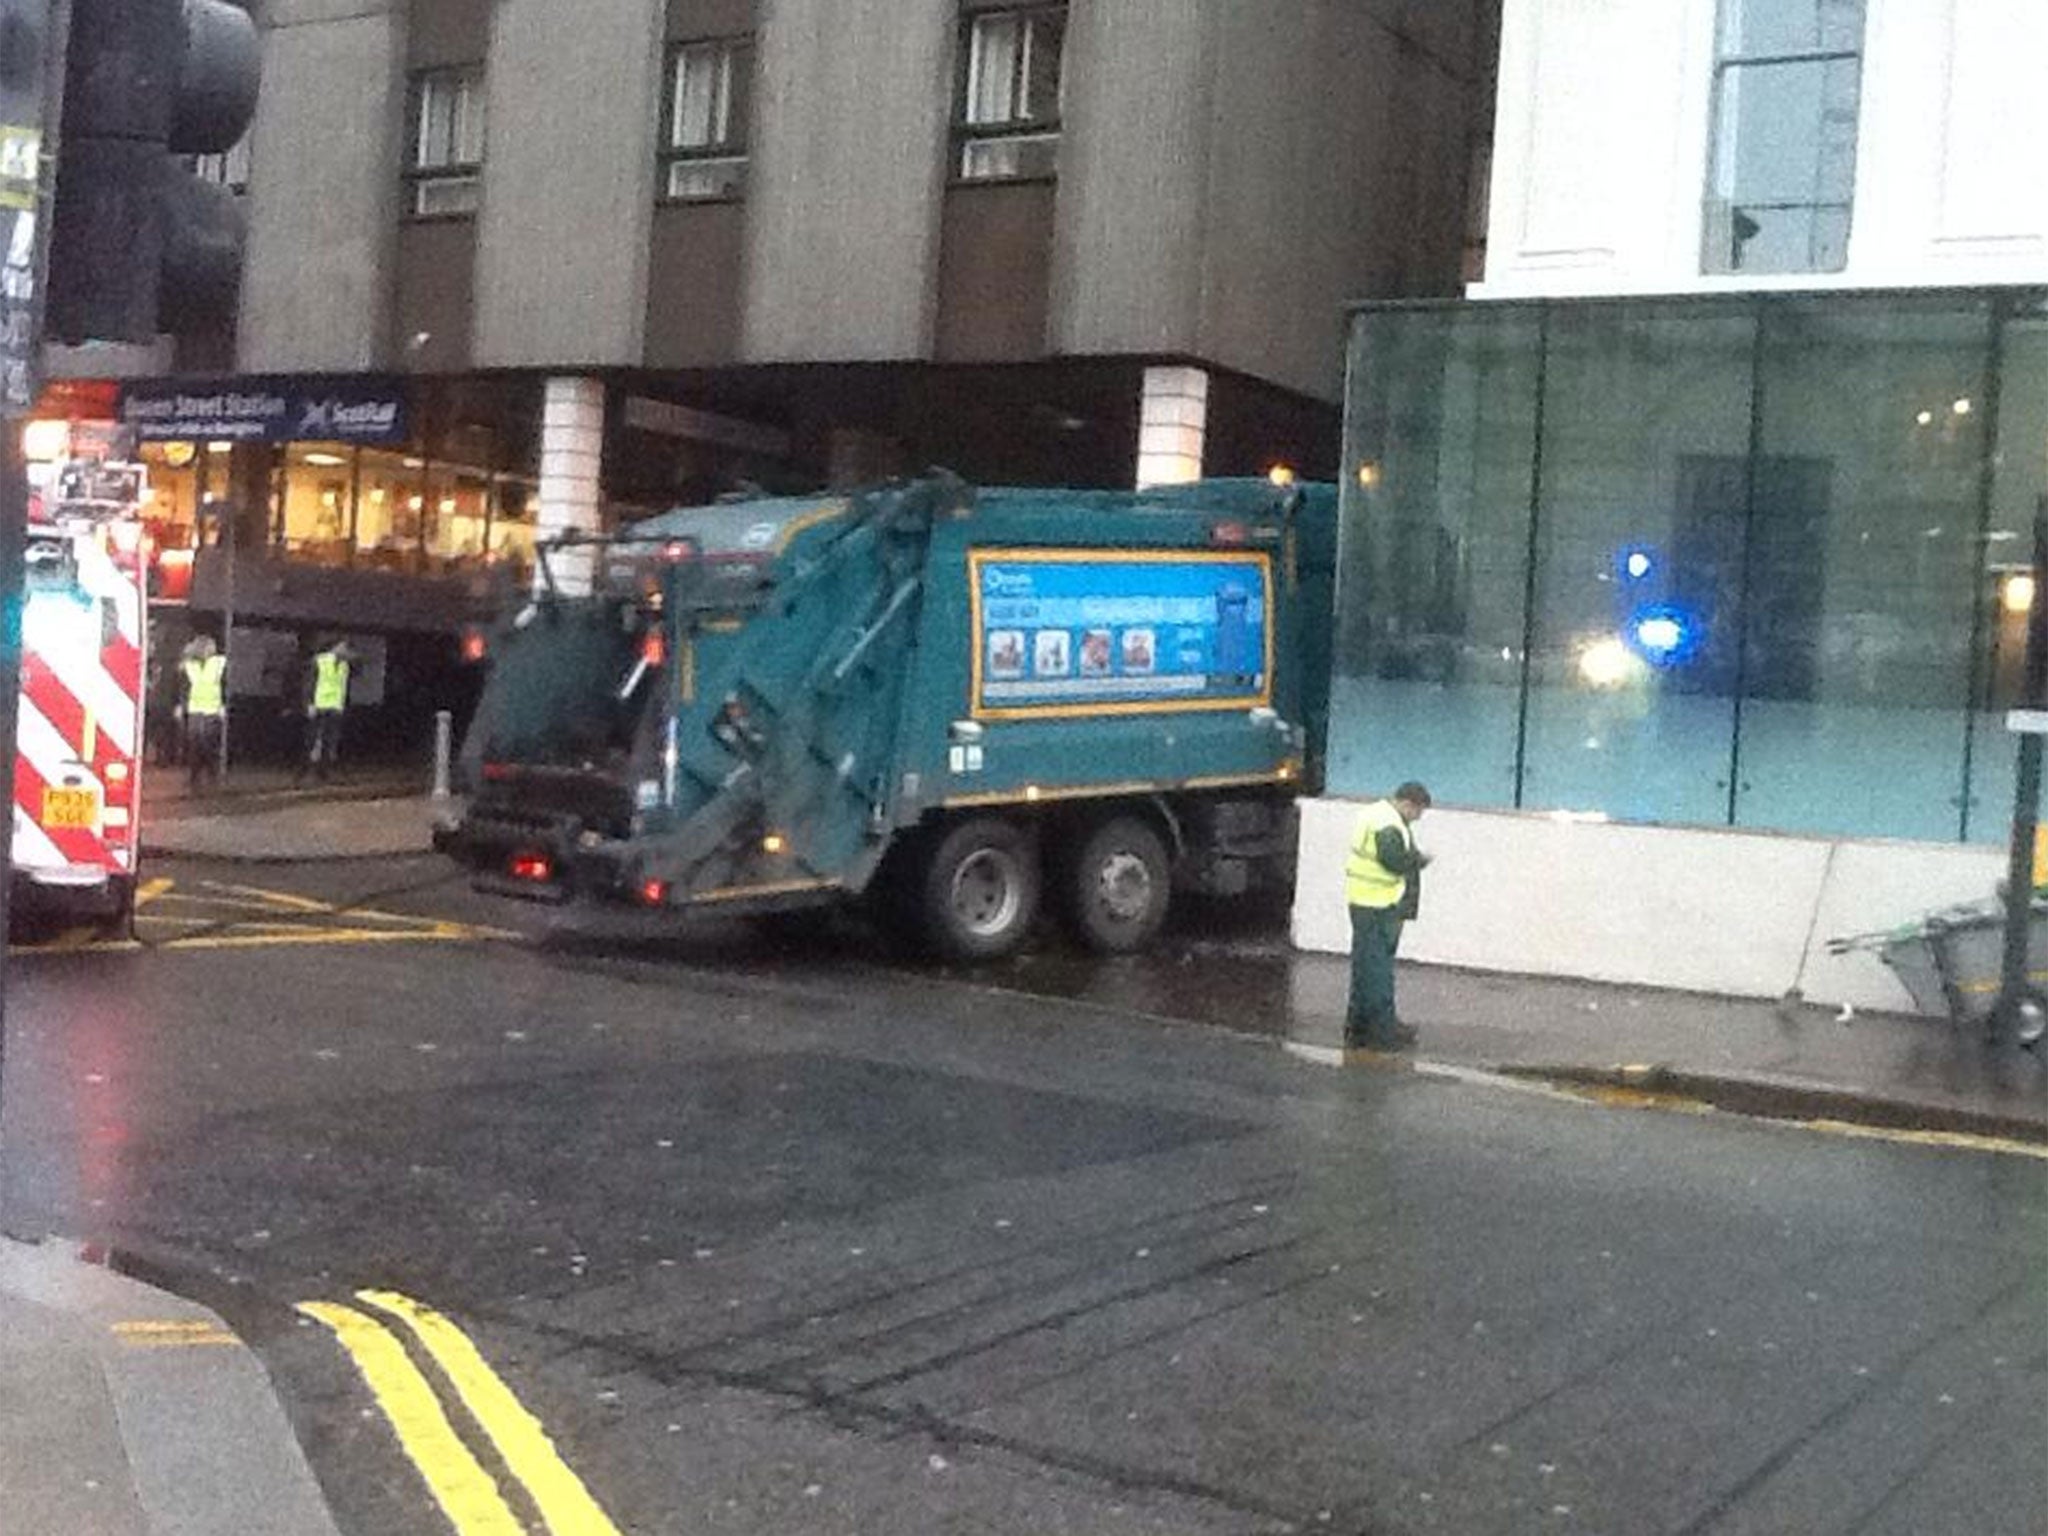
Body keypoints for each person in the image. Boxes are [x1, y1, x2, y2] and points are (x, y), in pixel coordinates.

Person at [1344, 781, 1432, 1051]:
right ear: (1408, 804)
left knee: (1364, 968)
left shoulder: (1376, 813)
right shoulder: (1388, 824)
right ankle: (1382, 1032)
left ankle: (1358, 1026)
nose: (1418, 818)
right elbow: (1393, 860)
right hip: (1379, 903)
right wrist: (1419, 861)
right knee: (1378, 971)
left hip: (1365, 900)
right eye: (1418, 812)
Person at [300, 637, 353, 783]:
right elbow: (309, 683)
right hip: (319, 705)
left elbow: (344, 687)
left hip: (335, 706)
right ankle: (310, 770)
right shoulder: (319, 661)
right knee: (315, 739)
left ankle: (325, 771)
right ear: (336, 647)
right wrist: (309, 702)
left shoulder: (345, 666)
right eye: (344, 648)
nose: (346, 652)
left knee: (331, 740)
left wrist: (342, 705)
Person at [179, 635, 227, 792]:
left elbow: (225, 684)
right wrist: (181, 705)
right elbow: (183, 687)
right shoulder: (190, 665)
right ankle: (197, 778)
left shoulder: (218, 663)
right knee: (197, 745)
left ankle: (209, 776)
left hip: (210, 710)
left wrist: (223, 704)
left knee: (206, 745)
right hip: (197, 709)